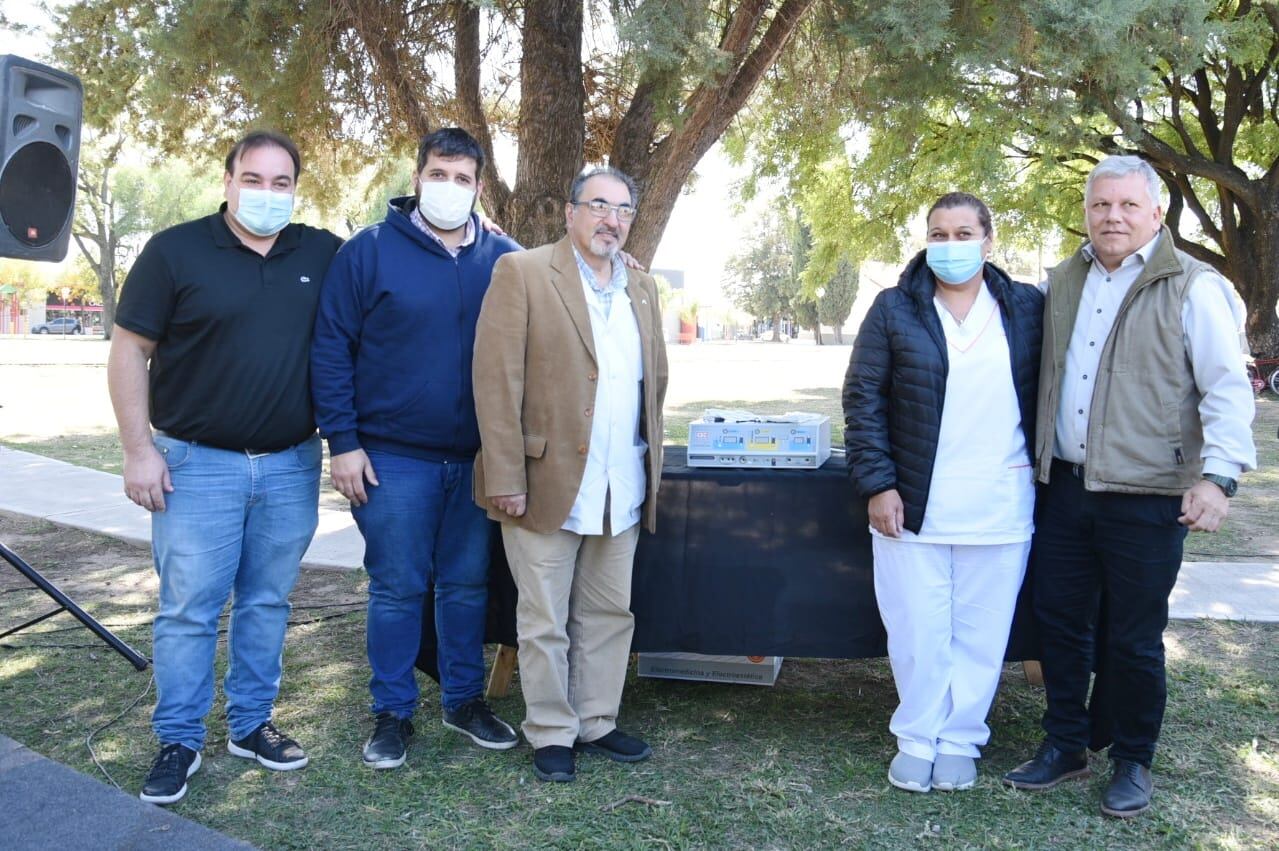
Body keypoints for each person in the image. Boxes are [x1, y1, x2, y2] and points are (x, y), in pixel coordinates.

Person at [1003, 155, 1256, 818]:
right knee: (1058, 622)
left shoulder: (1191, 285)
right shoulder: (1064, 279)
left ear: (1155, 213)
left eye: (1125, 205)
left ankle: (1132, 759)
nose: (1111, 216)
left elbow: (1226, 389)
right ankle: (1064, 743)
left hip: (1147, 494)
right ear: (1086, 212)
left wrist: (1219, 476)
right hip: (1064, 486)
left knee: (1133, 635)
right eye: (1099, 205)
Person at [108, 131, 343, 805]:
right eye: (253, 178)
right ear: (227, 180)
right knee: (189, 609)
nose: (266, 193)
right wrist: (137, 448)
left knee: (267, 601)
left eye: (280, 182)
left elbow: (385, 276)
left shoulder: (321, 252)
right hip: (193, 465)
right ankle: (179, 737)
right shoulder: (175, 250)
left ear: (294, 188)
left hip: (289, 465)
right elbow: (130, 350)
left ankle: (250, 723)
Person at [310, 128, 523, 768]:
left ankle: (463, 701)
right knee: (398, 587)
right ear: (417, 177)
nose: (449, 187)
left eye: (462, 178)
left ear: (479, 187)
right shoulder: (368, 252)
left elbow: (565, 296)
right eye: (439, 173)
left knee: (465, 586)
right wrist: (343, 443)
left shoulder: (505, 260)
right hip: (392, 458)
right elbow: (330, 350)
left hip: (478, 460)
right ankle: (393, 713)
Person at [472, 166, 668, 783]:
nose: (611, 220)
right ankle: (552, 731)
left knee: (612, 613)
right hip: (541, 480)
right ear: (570, 211)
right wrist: (506, 472)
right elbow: (495, 382)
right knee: (544, 618)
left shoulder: (643, 287)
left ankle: (597, 721)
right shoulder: (523, 272)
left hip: (621, 483)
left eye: (623, 211)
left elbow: (652, 385)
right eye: (599, 206)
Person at [843, 192, 1043, 794]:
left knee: (981, 633)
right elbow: (863, 401)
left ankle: (960, 739)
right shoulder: (894, 309)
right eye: (938, 232)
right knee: (917, 629)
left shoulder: (1028, 308)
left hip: (1001, 501)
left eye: (962, 233)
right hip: (914, 503)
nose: (949, 245)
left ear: (988, 240)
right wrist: (878, 484)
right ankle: (916, 737)